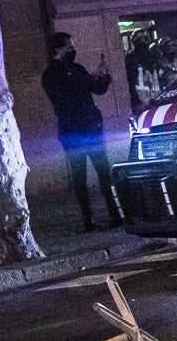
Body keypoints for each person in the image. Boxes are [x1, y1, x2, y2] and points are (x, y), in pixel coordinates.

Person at [41, 31, 122, 231]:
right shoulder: (51, 74)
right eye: (69, 46)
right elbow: (67, 92)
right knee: (80, 178)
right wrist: (90, 77)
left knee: (104, 173)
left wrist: (103, 77)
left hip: (91, 127)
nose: (73, 50)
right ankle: (88, 219)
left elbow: (96, 89)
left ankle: (115, 213)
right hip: (73, 131)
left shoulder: (77, 68)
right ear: (58, 49)